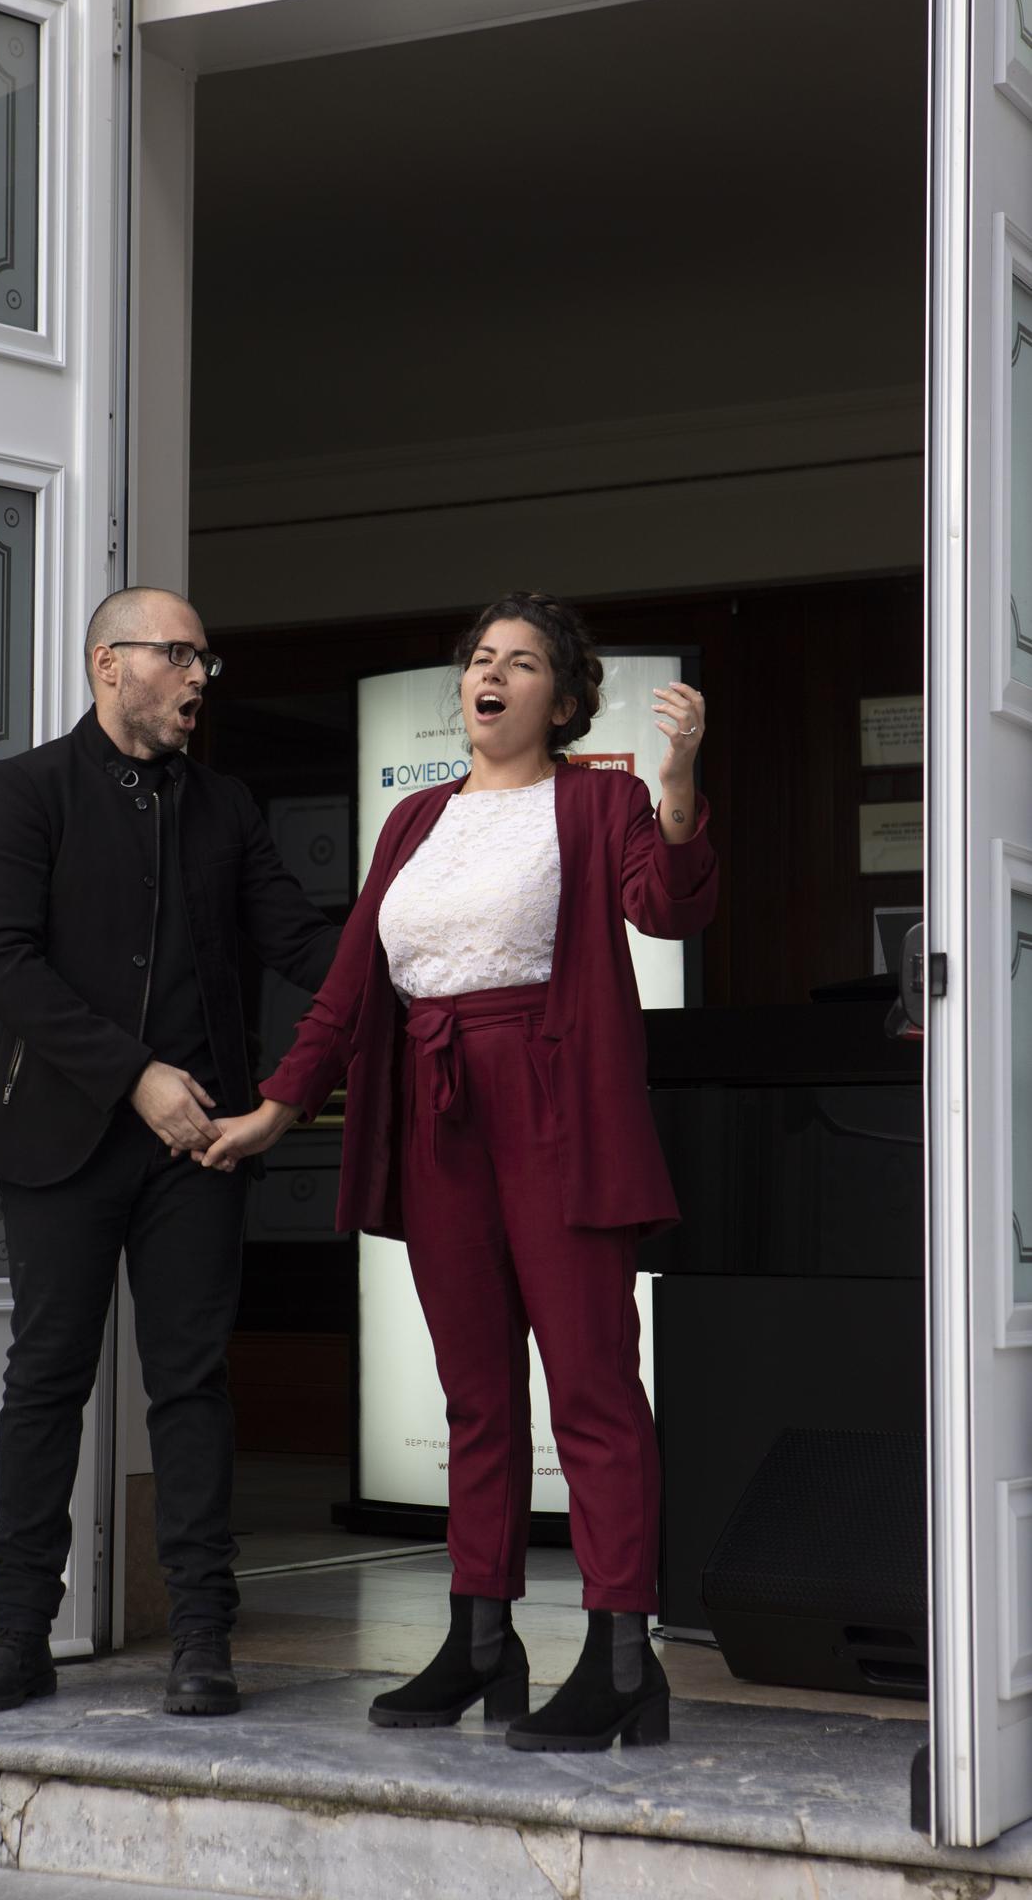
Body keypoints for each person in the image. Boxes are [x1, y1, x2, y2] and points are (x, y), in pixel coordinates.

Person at [202, 591, 716, 1753]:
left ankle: (624, 1657)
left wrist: (679, 778)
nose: (491, 674)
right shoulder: (414, 820)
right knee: (476, 1394)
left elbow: (667, 905)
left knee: (590, 1387)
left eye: (521, 661)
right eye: (480, 658)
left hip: (554, 1101)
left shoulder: (601, 799)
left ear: (564, 699)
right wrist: (280, 1106)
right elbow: (348, 986)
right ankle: (480, 1636)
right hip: (436, 1112)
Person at [0, 585, 338, 1717]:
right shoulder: (26, 789)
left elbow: (301, 939)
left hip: (198, 1147)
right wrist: (134, 1072)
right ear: (108, 663)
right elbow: (2, 963)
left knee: (192, 1383)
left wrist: (425, 965)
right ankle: (16, 1632)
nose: (201, 677)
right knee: (48, 1378)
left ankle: (201, 1637)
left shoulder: (225, 805)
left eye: (207, 659)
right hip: (62, 1134)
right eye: (181, 656)